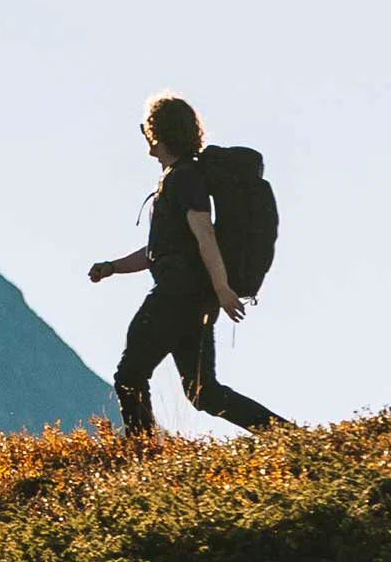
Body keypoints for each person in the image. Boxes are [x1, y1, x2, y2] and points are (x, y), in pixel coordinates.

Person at [87, 95, 287, 437]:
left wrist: (224, 289)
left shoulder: (184, 179)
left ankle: (143, 457)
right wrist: (112, 267)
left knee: (130, 375)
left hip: (177, 295)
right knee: (202, 392)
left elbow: (204, 233)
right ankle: (288, 436)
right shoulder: (177, 179)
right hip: (196, 298)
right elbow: (159, 250)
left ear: (157, 133)